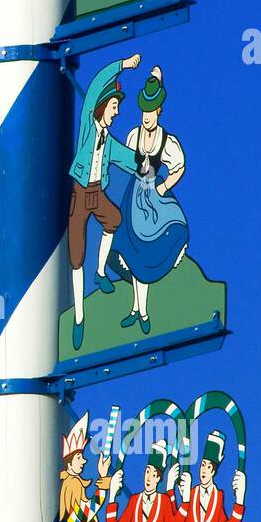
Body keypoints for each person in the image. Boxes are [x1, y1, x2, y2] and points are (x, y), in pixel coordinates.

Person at [67, 54, 141, 350]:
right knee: (75, 255)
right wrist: (123, 64)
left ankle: (100, 273)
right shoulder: (88, 125)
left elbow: (126, 158)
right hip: (80, 193)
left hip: (97, 192)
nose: (116, 113)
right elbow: (98, 83)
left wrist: (148, 161)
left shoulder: (109, 141)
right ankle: (79, 318)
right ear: (101, 107)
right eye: (114, 107)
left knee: (114, 219)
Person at [110, 67, 189, 334]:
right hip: (134, 198)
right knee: (130, 251)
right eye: (143, 112)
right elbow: (124, 162)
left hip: (155, 202)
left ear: (159, 112)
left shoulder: (167, 141)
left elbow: (178, 167)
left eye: (151, 112)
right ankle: (136, 309)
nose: (146, 117)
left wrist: (165, 186)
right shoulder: (134, 136)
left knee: (146, 250)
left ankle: (142, 312)